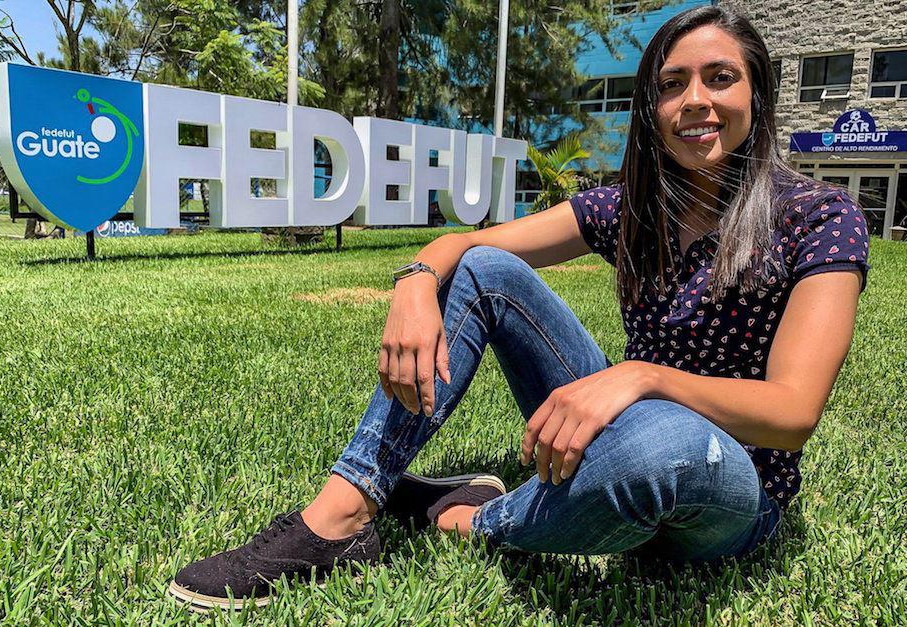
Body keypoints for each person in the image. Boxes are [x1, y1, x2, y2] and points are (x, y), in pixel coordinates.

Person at [168, 6, 870, 612]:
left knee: (664, 449)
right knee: (483, 271)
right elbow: (469, 245)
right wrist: (414, 282)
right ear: (651, 109)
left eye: (720, 77)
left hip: (729, 483)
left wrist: (642, 377)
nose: (695, 100)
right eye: (671, 84)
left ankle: (473, 517)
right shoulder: (634, 208)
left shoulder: (819, 218)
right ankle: (343, 512)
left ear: (758, 92)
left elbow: (792, 411)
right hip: (625, 419)